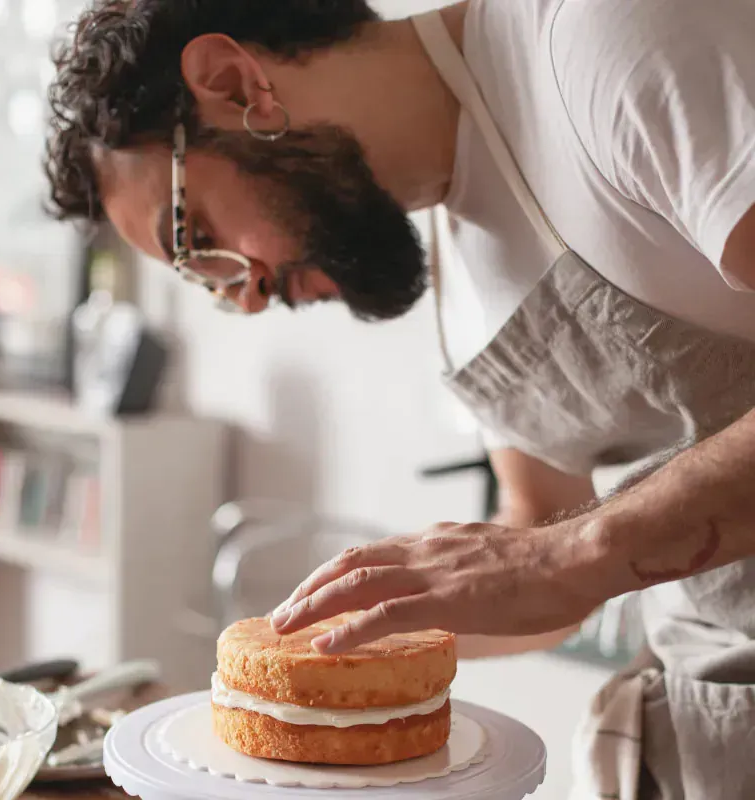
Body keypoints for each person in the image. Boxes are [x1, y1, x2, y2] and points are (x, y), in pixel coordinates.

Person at [44, 0, 755, 796]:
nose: (243, 297)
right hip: (704, 733)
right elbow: (540, 536)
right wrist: (329, 646)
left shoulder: (605, 42)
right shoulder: (460, 277)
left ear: (237, 84)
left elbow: (560, 558)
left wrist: (573, 554)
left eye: (195, 239)